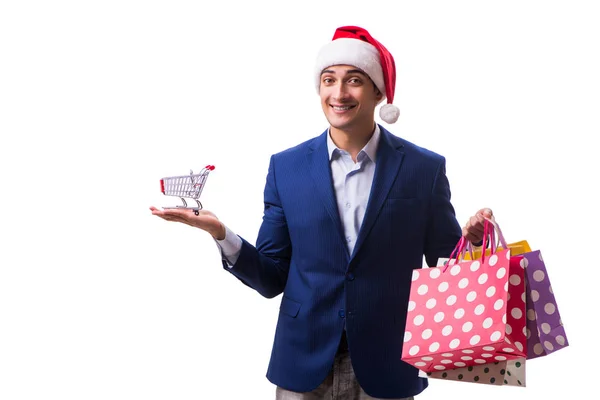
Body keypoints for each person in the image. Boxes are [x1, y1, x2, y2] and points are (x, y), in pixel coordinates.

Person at [150, 25, 493, 400]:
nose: (339, 93)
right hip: (303, 361)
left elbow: (446, 267)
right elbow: (271, 277)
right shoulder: (287, 168)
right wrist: (220, 233)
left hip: (388, 360)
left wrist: (473, 243)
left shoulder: (423, 168)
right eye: (329, 80)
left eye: (354, 80)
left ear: (379, 91)